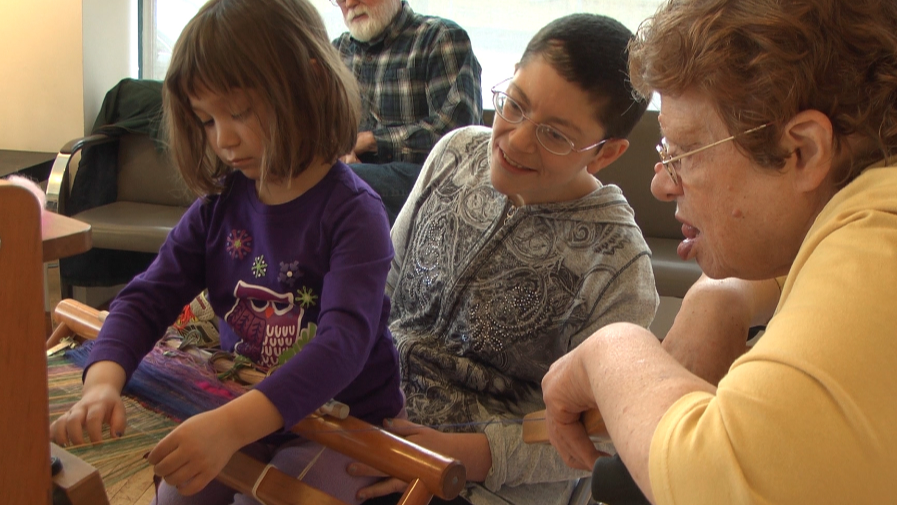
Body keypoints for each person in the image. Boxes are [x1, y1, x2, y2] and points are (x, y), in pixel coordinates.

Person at [541, 0, 897, 503]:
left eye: (682, 152)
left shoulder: (880, 248)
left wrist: (611, 350)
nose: (662, 183)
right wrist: (724, 293)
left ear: (805, 151)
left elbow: (714, 473)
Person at [48, 0, 403, 504]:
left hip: (346, 421)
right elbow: (147, 297)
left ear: (310, 85)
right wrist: (102, 384)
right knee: (177, 494)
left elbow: (341, 347)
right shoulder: (221, 204)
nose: (224, 139)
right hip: (245, 405)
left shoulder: (353, 212)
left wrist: (230, 427)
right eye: (207, 120)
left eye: (238, 113)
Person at [352, 14, 659, 505]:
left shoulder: (617, 264)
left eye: (556, 136)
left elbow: (598, 439)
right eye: (514, 105)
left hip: (479, 481)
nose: (514, 140)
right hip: (369, 418)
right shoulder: (455, 151)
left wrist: (466, 454)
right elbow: (383, 287)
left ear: (606, 153)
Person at [331, 0, 483, 224]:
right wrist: (340, 152)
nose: (351, 3)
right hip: (348, 178)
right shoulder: (336, 52)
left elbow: (458, 139)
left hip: (427, 186)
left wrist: (371, 141)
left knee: (333, 181)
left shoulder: (440, 38)